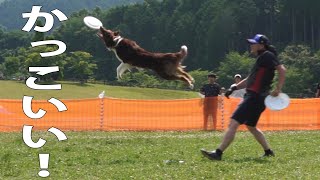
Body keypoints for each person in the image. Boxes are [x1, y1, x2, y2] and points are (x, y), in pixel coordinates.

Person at [201, 34, 286, 160]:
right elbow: (249, 79)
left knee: (233, 123)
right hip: (258, 98)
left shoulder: (267, 55)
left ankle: (218, 153)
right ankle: (268, 151)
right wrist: (234, 87)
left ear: (261, 45)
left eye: (253, 43)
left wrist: (278, 88)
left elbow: (282, 70)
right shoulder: (262, 58)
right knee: (251, 126)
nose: (251, 45)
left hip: (254, 97)